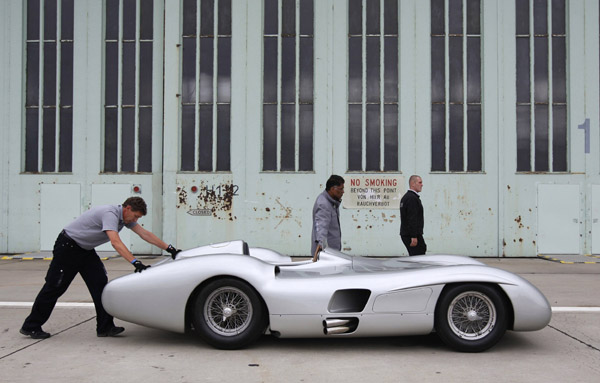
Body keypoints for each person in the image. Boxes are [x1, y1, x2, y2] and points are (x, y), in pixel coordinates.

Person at [20, 197, 181, 339]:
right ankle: (31, 326)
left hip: (85, 250)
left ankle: (105, 327)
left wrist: (170, 249)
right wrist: (135, 262)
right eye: (136, 216)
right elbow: (115, 242)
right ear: (128, 208)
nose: (136, 220)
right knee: (55, 287)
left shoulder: (125, 218)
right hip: (68, 247)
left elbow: (144, 234)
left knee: (101, 286)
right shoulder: (110, 214)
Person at [311, 175, 344, 260]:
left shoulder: (332, 203)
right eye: (341, 189)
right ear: (333, 189)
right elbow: (321, 228)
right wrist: (320, 252)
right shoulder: (324, 204)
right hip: (327, 255)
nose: (343, 192)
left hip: (332, 253)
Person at [400, 175, 427, 256]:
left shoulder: (407, 197)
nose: (422, 184)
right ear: (413, 184)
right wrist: (413, 236)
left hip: (408, 233)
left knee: (419, 251)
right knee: (419, 254)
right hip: (411, 235)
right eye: (420, 182)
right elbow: (412, 218)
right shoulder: (412, 198)